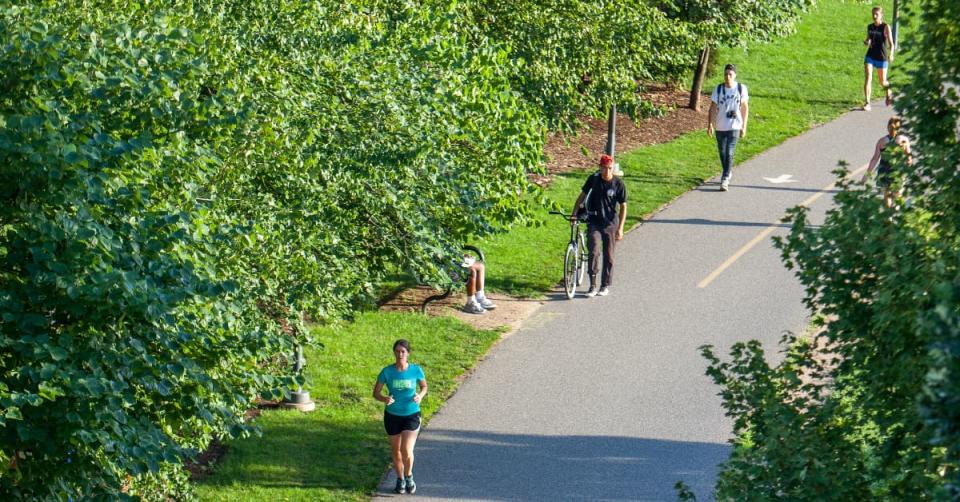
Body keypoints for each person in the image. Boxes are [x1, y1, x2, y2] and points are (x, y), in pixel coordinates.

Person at [373, 339, 428, 494]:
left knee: (406, 450)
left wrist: (421, 395)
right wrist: (384, 398)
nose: (400, 354)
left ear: (408, 353)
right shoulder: (387, 372)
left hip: (411, 414)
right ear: (394, 353)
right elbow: (375, 393)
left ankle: (409, 475)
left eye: (403, 351)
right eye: (397, 351)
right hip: (392, 415)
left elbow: (424, 386)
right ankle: (400, 479)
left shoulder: (416, 370)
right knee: (396, 450)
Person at [570, 154, 627, 298]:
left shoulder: (618, 184)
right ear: (600, 168)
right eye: (604, 168)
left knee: (609, 255)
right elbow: (582, 196)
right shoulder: (593, 180)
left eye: (609, 169)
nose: (607, 172)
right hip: (594, 220)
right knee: (594, 250)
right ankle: (592, 284)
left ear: (612, 168)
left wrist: (620, 228)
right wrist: (574, 213)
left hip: (609, 223)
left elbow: (623, 206)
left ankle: (605, 285)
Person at [707, 63, 749, 192]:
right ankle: (728, 170)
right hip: (720, 126)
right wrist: (710, 124)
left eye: (730, 74)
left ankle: (725, 178)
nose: (727, 77)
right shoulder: (718, 89)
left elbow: (745, 108)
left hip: (734, 125)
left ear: (735, 75)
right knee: (722, 152)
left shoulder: (741, 88)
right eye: (725, 74)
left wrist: (744, 126)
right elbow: (712, 108)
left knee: (730, 151)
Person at [862, 116, 912, 207]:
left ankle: (888, 218)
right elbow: (909, 159)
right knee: (898, 195)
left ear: (888, 127)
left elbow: (875, 159)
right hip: (898, 171)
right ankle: (896, 211)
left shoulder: (881, 141)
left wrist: (866, 175)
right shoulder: (904, 140)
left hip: (884, 171)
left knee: (887, 195)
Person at [862, 6, 895, 111]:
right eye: (873, 14)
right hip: (870, 55)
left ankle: (889, 91)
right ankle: (867, 103)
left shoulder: (885, 27)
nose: (874, 16)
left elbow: (891, 43)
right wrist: (867, 42)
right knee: (868, 79)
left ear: (881, 15)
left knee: (883, 82)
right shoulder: (870, 27)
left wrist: (891, 54)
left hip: (882, 57)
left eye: (876, 14)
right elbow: (868, 39)